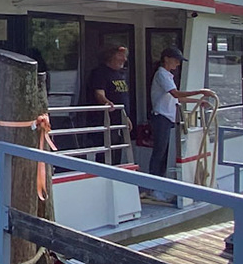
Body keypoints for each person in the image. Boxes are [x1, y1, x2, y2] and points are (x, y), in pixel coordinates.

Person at [143, 45, 214, 202]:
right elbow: (175, 93)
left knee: (163, 154)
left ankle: (158, 186)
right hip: (160, 117)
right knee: (159, 154)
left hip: (166, 118)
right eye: (176, 60)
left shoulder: (167, 75)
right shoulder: (162, 74)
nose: (178, 64)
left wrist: (198, 101)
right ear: (166, 59)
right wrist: (201, 91)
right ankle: (153, 188)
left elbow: (176, 98)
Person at [85, 43, 132, 160]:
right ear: (111, 56)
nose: (124, 59)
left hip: (119, 121)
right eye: (121, 56)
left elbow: (122, 98)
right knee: (105, 154)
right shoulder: (100, 72)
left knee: (117, 153)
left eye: (125, 56)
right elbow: (99, 93)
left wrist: (126, 118)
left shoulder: (120, 74)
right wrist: (106, 102)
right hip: (104, 122)